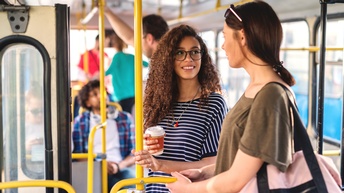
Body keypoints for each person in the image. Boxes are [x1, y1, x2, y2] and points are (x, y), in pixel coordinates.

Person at [165, 2, 299, 192]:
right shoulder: (257, 89)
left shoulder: (270, 95)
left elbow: (236, 180)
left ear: (242, 37)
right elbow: (242, 163)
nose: (223, 45)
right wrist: (204, 172)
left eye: (226, 36)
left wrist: (187, 190)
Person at [132, 25, 228, 193]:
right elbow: (150, 154)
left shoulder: (213, 104)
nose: (188, 59)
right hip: (154, 189)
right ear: (168, 59)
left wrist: (161, 165)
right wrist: (146, 153)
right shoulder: (158, 103)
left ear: (202, 57)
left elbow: (213, 164)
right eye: (179, 53)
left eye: (194, 52)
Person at [72, 80, 135, 192]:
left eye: (102, 92)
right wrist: (99, 165)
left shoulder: (125, 118)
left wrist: (117, 166)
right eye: (95, 94)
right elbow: (78, 154)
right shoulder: (80, 122)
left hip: (119, 168)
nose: (101, 96)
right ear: (87, 103)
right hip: (91, 167)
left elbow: (134, 153)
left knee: (132, 185)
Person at [105, 31, 149, 114]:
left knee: (124, 116)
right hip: (134, 92)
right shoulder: (132, 57)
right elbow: (146, 64)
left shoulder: (117, 57)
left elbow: (107, 72)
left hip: (121, 94)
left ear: (114, 44)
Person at [104, 7, 169, 58]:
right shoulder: (162, 55)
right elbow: (130, 37)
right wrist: (107, 11)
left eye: (140, 38)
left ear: (149, 39)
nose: (137, 41)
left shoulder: (168, 61)